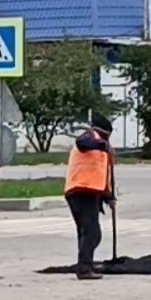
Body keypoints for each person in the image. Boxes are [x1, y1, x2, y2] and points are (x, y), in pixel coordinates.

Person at [64, 113, 116, 280]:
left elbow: (103, 174)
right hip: (80, 191)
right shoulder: (89, 137)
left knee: (87, 232)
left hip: (91, 192)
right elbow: (82, 143)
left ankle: (86, 263)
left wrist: (109, 197)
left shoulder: (102, 149)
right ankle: (84, 269)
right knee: (92, 232)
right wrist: (102, 144)